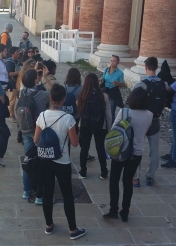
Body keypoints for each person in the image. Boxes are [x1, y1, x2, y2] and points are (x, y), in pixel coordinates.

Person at [34, 84, 86, 240]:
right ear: (63, 99)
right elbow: (75, 143)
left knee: (47, 193)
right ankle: (73, 230)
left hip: (45, 160)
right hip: (62, 161)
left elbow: (36, 140)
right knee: (67, 195)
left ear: (51, 98)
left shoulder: (42, 116)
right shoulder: (68, 118)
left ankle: (49, 226)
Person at [103, 87, 153, 222]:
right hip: (136, 153)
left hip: (120, 151)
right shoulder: (149, 115)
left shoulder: (124, 112)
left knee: (114, 180)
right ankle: (125, 211)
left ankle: (113, 209)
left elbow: (114, 130)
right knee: (127, 182)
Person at [131, 57, 169, 187]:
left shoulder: (141, 84)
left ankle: (135, 178)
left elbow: (132, 100)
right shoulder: (163, 84)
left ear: (145, 67)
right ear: (156, 67)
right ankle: (150, 176)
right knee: (154, 150)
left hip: (141, 119)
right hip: (155, 119)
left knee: (137, 148)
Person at [19, 68, 50, 204]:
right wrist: (45, 77)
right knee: (41, 164)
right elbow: (56, 90)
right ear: (35, 80)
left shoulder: (22, 92)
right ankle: (39, 196)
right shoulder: (41, 95)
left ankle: (26, 191)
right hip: (39, 130)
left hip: (26, 130)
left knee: (28, 160)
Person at [76, 73, 112, 179]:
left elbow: (79, 110)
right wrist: (109, 129)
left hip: (85, 124)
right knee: (100, 148)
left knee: (84, 149)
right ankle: (103, 172)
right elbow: (108, 115)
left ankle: (83, 171)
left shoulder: (82, 95)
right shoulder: (103, 96)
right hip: (100, 125)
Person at [64, 68, 96, 162]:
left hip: (65, 116)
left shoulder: (64, 88)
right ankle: (85, 154)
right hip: (76, 116)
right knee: (80, 136)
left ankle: (67, 156)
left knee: (67, 138)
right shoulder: (81, 89)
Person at [100, 55, 125, 120]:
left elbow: (122, 84)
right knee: (102, 107)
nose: (112, 62)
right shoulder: (106, 69)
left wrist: (117, 83)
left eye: (114, 61)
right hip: (105, 91)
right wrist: (101, 79)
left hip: (113, 92)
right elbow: (103, 78)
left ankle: (111, 124)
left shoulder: (120, 73)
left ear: (117, 62)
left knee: (111, 110)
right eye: (111, 60)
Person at [6, 47, 22, 123]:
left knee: (20, 98)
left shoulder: (17, 61)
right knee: (12, 101)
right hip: (12, 84)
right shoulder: (9, 62)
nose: (19, 53)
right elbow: (9, 74)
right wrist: (19, 72)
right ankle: (11, 115)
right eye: (17, 52)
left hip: (18, 83)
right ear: (12, 54)